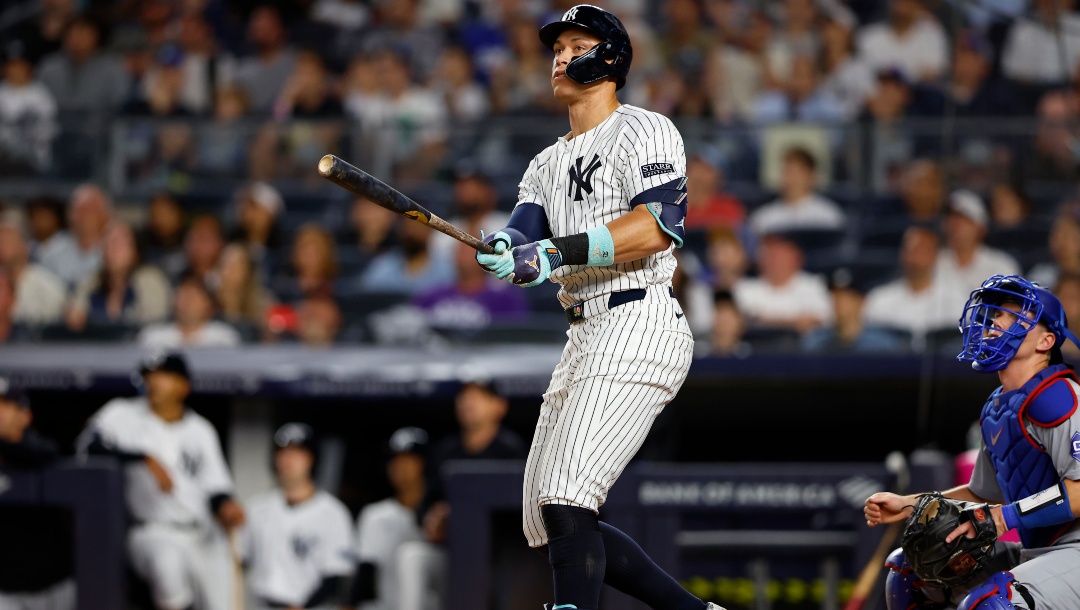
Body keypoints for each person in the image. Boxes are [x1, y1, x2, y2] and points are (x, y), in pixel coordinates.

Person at [473, 6, 726, 610]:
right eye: (556, 47)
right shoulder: (544, 162)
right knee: (549, 516)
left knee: (567, 497)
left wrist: (552, 253)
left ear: (609, 57)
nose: (560, 56)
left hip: (639, 317)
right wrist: (505, 248)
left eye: (576, 43)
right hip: (584, 330)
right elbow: (521, 229)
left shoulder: (646, 129)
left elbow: (658, 226)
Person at [863, 274, 1080, 610]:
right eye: (996, 313)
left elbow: (1079, 492)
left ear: (1046, 341)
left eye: (1013, 314)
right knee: (909, 570)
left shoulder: (1059, 396)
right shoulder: (999, 406)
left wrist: (1003, 517)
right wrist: (908, 504)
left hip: (1075, 550)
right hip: (1037, 550)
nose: (996, 319)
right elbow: (982, 493)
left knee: (991, 603)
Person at [76, 350, 246, 610]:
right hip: (152, 530)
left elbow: (216, 487)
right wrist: (142, 457)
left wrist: (226, 506)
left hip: (201, 532)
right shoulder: (121, 414)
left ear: (184, 386)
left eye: (164, 376)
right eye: (150, 376)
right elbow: (85, 448)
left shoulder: (201, 430)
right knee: (168, 567)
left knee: (224, 601)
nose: (154, 383)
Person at [396, 380, 527, 610]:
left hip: (497, 555)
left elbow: (524, 513)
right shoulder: (447, 450)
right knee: (411, 555)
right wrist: (432, 519)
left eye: (478, 397)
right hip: (452, 551)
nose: (468, 403)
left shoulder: (512, 451)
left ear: (499, 406)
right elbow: (426, 505)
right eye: (464, 396)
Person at [242, 422, 355, 610]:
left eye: (296, 452)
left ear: (311, 459)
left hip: (313, 606)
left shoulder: (333, 513)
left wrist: (303, 606)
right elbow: (238, 560)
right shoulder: (256, 508)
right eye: (282, 452)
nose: (287, 459)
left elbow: (336, 578)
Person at [0, 376, 75, 610]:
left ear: (26, 416)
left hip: (55, 586)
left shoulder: (41, 448)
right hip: (6, 593)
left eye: (5, 406)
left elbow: (42, 452)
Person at [351, 426, 429, 610]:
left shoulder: (440, 515)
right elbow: (365, 574)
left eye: (408, 459)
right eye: (394, 459)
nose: (398, 466)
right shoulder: (375, 515)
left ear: (424, 464)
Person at [136, 272, 242, 348]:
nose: (188, 300)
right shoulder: (152, 338)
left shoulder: (224, 339)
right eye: (184, 292)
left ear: (209, 306)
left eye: (195, 295)